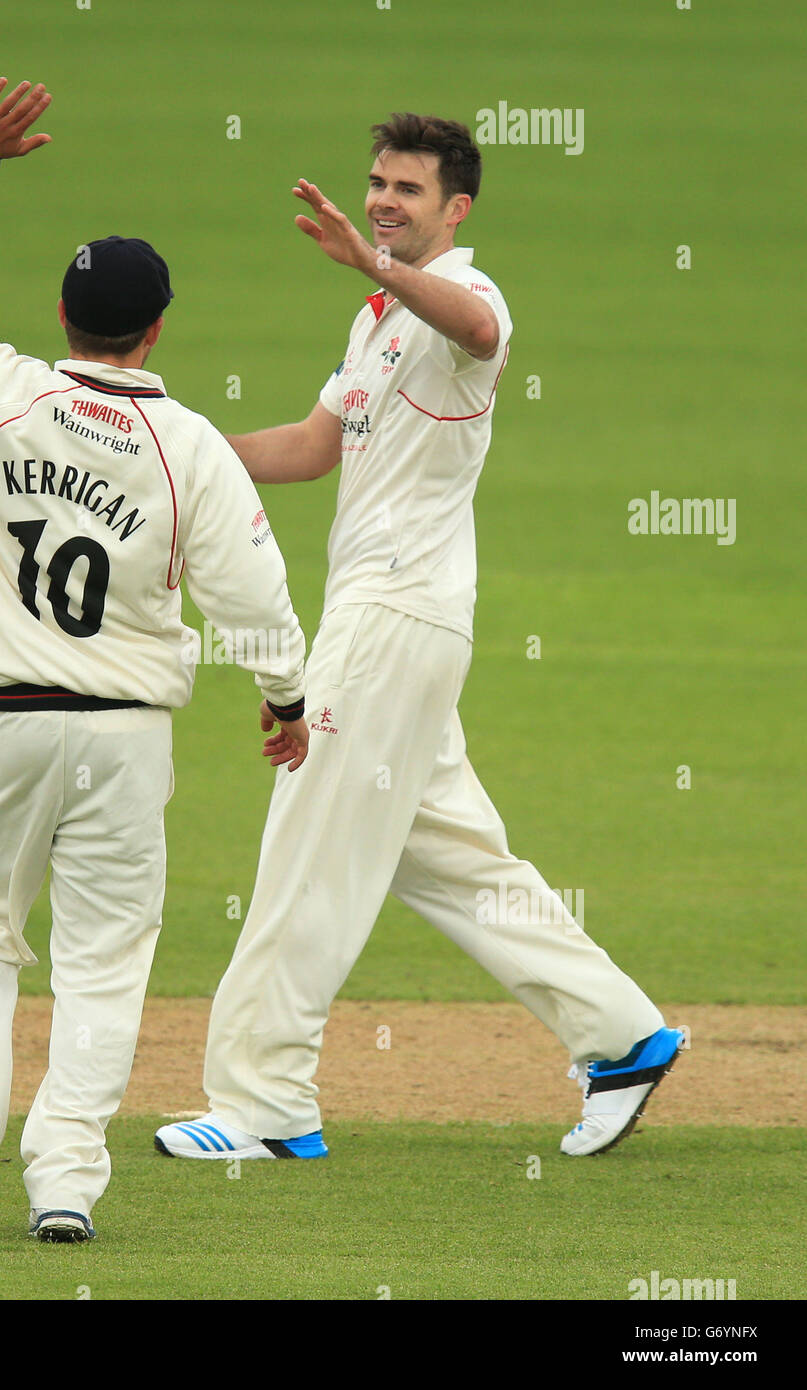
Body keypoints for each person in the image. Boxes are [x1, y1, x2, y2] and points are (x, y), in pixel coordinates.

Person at [155, 112, 685, 1166]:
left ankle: (263, 1104)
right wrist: (177, 446)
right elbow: (312, 448)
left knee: (305, 851)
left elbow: (483, 335)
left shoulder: (464, 301)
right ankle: (624, 1038)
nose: (385, 200)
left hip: (389, 619)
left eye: (407, 188)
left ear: (457, 208)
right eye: (377, 184)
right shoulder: (372, 326)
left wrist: (377, 267)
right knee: (449, 857)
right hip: (406, 624)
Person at [0, 77, 308, 1241]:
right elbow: (254, 595)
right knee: (105, 962)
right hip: (126, 740)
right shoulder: (192, 448)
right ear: (158, 327)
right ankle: (65, 1182)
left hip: (1, 721)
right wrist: (286, 698)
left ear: (63, 314)